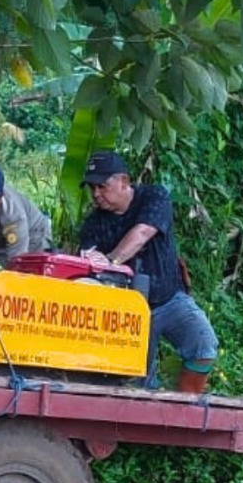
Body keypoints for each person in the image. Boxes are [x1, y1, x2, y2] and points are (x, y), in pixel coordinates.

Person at [77, 151, 217, 393]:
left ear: (124, 181)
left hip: (169, 299)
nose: (96, 194)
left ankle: (186, 407)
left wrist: (111, 260)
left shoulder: (154, 197)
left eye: (102, 186)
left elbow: (142, 233)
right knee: (136, 381)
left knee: (203, 344)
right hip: (127, 312)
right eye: (92, 188)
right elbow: (86, 264)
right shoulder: (93, 224)